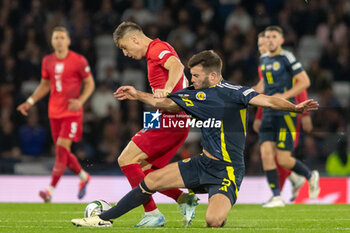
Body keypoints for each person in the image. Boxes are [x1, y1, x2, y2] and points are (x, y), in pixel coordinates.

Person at [71, 50, 319, 228]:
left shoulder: (234, 93)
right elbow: (166, 103)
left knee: (213, 221)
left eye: (196, 76)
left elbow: (267, 100)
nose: (191, 80)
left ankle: (218, 203)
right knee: (152, 179)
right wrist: (137, 94)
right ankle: (105, 218)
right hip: (203, 163)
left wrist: (295, 108)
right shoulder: (193, 94)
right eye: (191, 75)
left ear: (212, 77)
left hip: (228, 170)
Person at [112, 21, 194, 227]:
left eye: (124, 47)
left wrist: (167, 89)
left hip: (170, 120)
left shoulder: (157, 48)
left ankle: (153, 214)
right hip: (171, 119)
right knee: (145, 171)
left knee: (126, 159)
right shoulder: (153, 53)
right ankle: (184, 199)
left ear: (134, 39)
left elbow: (177, 65)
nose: (125, 53)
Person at [17, 26, 95, 202]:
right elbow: (45, 85)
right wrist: (30, 102)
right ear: (52, 41)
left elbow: (90, 84)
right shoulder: (47, 61)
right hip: (54, 112)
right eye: (56, 38)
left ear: (68, 40)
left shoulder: (79, 60)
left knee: (60, 148)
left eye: (62, 37)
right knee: (63, 152)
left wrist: (81, 101)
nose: (59, 40)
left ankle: (50, 190)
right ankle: (84, 177)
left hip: (72, 112)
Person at [252, 26, 320, 207]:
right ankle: (276, 197)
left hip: (286, 113)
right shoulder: (264, 59)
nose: (270, 40)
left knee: (283, 159)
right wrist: (246, 95)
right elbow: (263, 85)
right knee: (266, 153)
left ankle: (309, 175)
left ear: (281, 40)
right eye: (267, 37)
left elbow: (305, 81)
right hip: (268, 111)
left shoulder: (287, 57)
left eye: (274, 37)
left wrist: (285, 97)